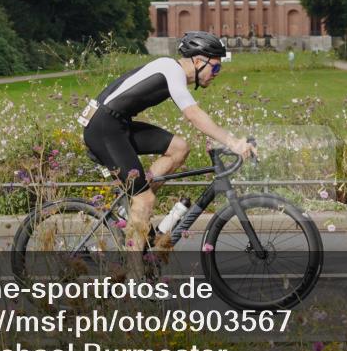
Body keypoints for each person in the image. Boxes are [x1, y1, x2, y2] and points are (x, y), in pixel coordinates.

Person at [82, 31, 257, 259]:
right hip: (103, 127)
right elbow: (193, 114)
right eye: (215, 68)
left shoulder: (172, 71)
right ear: (198, 61)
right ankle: (133, 274)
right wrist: (232, 142)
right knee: (145, 199)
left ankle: (134, 208)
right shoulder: (171, 70)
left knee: (179, 148)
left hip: (117, 124)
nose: (216, 74)